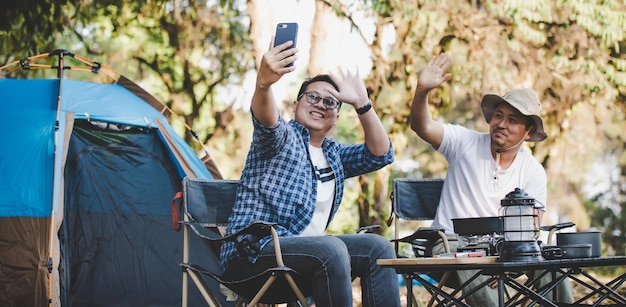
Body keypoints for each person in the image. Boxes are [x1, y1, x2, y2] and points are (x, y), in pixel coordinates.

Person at [219, 38, 401, 306]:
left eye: (330, 102)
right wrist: (264, 83)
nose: (320, 104)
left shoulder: (334, 154)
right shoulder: (282, 139)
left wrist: (363, 103)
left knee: (378, 247)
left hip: (308, 261)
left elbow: (380, 154)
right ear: (295, 105)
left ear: (337, 117)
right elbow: (266, 119)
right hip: (252, 258)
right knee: (331, 247)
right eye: (312, 97)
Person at [409, 53, 573, 305]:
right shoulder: (463, 142)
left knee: (552, 266)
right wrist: (422, 91)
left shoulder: (532, 170)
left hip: (504, 252)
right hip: (448, 246)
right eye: (498, 115)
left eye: (513, 120)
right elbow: (422, 126)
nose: (501, 124)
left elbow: (530, 230)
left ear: (528, 133)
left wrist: (507, 260)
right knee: (470, 259)